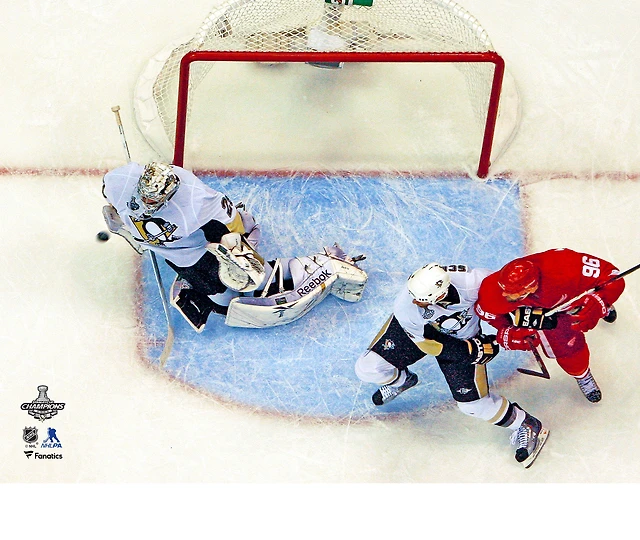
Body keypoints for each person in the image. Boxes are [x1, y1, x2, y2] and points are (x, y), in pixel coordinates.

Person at [102, 162, 367, 332]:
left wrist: (238, 251)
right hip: (180, 258)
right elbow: (111, 199)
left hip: (199, 249)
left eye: (154, 200)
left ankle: (323, 265)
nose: (146, 203)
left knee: (250, 284)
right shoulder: (121, 180)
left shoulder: (193, 199)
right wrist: (120, 222)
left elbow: (231, 222)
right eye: (144, 196)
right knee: (221, 304)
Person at [355, 262, 549, 468]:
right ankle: (402, 381)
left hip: (463, 336)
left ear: (439, 296)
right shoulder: (406, 306)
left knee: (472, 406)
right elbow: (428, 345)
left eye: (420, 300)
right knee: (367, 368)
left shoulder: (476, 282)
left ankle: (525, 423)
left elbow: (510, 302)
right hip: (426, 337)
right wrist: (472, 351)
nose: (414, 300)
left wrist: (518, 327)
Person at [474, 248, 624, 403]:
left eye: (513, 292)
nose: (505, 294)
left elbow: (613, 275)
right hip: (548, 315)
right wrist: (507, 330)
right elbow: (488, 313)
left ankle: (600, 304)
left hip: (577, 294)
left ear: (531, 287)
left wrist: (601, 299)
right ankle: (582, 375)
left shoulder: (565, 265)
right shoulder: (494, 290)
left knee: (595, 298)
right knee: (571, 355)